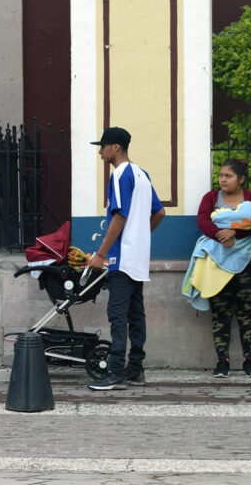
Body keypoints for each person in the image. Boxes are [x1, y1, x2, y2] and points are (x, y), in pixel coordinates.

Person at [86, 127, 165, 391]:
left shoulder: (120, 174)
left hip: (122, 257)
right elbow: (160, 212)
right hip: (139, 257)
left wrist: (101, 254)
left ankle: (117, 372)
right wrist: (140, 235)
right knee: (135, 314)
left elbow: (118, 216)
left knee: (117, 315)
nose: (100, 151)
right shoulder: (141, 174)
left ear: (116, 147)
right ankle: (136, 368)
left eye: (103, 146)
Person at [196, 159, 251, 378]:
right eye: (221, 175)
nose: (223, 179)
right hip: (217, 262)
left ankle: (249, 361)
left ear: (241, 179)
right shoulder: (210, 198)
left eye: (228, 176)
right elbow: (202, 220)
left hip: (248, 263)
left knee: (247, 311)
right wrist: (220, 235)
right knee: (220, 312)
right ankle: (222, 361)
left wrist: (235, 233)